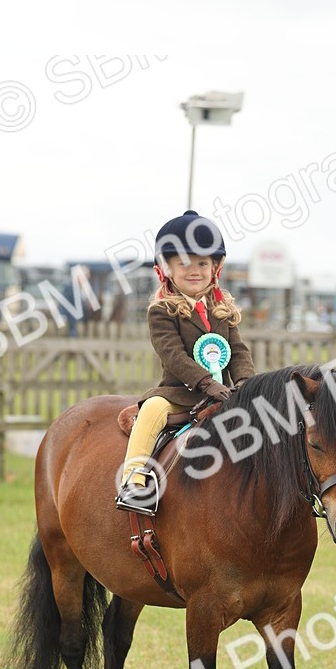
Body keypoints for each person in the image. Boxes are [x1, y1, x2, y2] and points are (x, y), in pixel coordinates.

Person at [115, 210, 255, 514]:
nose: (195, 270)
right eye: (184, 263)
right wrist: (207, 383)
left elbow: (239, 351)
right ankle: (133, 482)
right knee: (151, 411)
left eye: (203, 263)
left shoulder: (222, 310)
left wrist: (244, 383)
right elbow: (173, 355)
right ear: (168, 269)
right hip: (180, 394)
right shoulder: (161, 311)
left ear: (215, 268)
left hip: (225, 393)